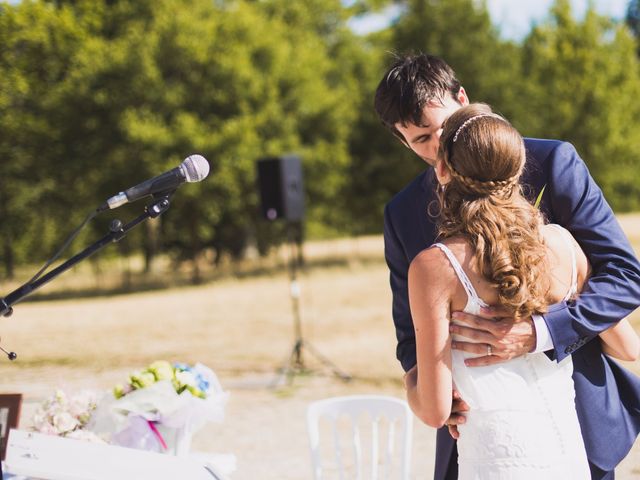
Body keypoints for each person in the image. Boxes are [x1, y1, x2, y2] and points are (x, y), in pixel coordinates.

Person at [374, 53, 640, 480]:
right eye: (422, 139)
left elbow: (625, 277)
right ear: (401, 140)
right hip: (479, 434)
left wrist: (543, 331)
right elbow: (409, 333)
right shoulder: (402, 213)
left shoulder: (552, 161)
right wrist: (435, 390)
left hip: (576, 416)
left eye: (443, 127)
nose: (439, 145)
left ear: (463, 97)